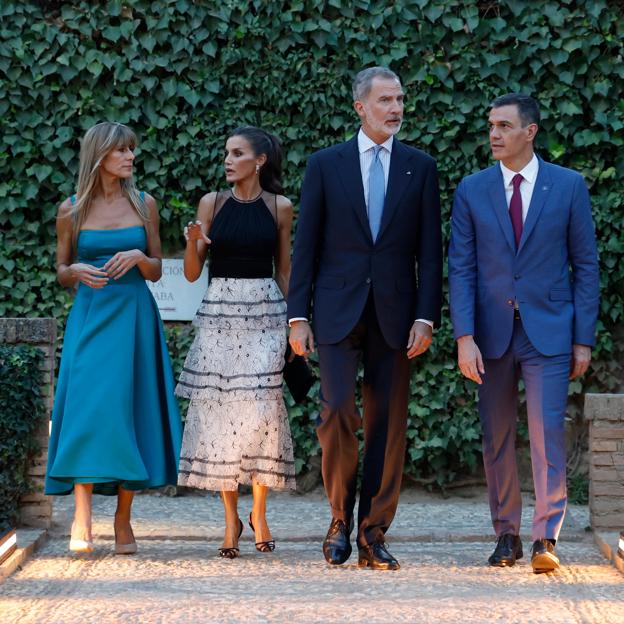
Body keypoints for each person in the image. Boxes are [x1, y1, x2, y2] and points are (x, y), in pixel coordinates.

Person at [288, 67, 442, 570]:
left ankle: (373, 533)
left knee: (388, 423)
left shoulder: (420, 167)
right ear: (361, 107)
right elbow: (305, 245)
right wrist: (297, 316)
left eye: (400, 99)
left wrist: (426, 317)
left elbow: (430, 254)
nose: (396, 108)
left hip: (397, 316)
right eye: (385, 100)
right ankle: (338, 518)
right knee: (336, 413)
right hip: (335, 311)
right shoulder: (325, 165)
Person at [448, 93, 599, 573]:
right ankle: (506, 535)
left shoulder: (569, 186)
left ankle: (545, 538)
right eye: (491, 124)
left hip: (549, 333)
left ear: (530, 131)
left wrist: (583, 338)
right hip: (490, 335)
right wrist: (464, 336)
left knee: (547, 433)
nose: (494, 133)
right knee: (495, 437)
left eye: (504, 126)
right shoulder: (472, 189)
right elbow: (462, 267)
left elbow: (586, 265)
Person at [45, 122, 182, 555]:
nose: (130, 157)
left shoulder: (145, 205)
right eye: (121, 151)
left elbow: (157, 268)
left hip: (135, 316)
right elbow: (62, 269)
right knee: (89, 409)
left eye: (131, 150)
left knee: (131, 410)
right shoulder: (71, 210)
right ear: (99, 156)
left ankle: (123, 519)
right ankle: (82, 513)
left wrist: (141, 256)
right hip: (90, 315)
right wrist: (75, 273)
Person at [176, 126, 296, 559]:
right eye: (226, 152)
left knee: (263, 413)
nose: (228, 160)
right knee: (220, 419)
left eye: (237, 153)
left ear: (260, 160)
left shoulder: (280, 207)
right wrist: (193, 243)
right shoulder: (211, 203)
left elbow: (284, 271)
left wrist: (298, 322)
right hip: (220, 316)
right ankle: (230, 521)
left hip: (266, 315)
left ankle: (259, 513)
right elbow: (192, 272)